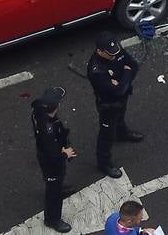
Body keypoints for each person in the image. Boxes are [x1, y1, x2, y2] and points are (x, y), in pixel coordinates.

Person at [87, 32, 143, 179]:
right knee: (106, 134)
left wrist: (122, 80)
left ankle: (122, 133)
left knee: (120, 118)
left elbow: (133, 65)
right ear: (99, 51)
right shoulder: (96, 70)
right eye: (110, 54)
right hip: (108, 106)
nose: (114, 56)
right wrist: (126, 74)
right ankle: (103, 162)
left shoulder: (115, 50)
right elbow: (116, 91)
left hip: (122, 98)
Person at [31, 86, 76, 234]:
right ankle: (52, 219)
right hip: (50, 161)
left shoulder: (38, 110)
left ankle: (58, 187)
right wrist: (65, 154)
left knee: (56, 181)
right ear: (57, 106)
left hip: (46, 153)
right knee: (53, 192)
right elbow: (53, 156)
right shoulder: (48, 130)